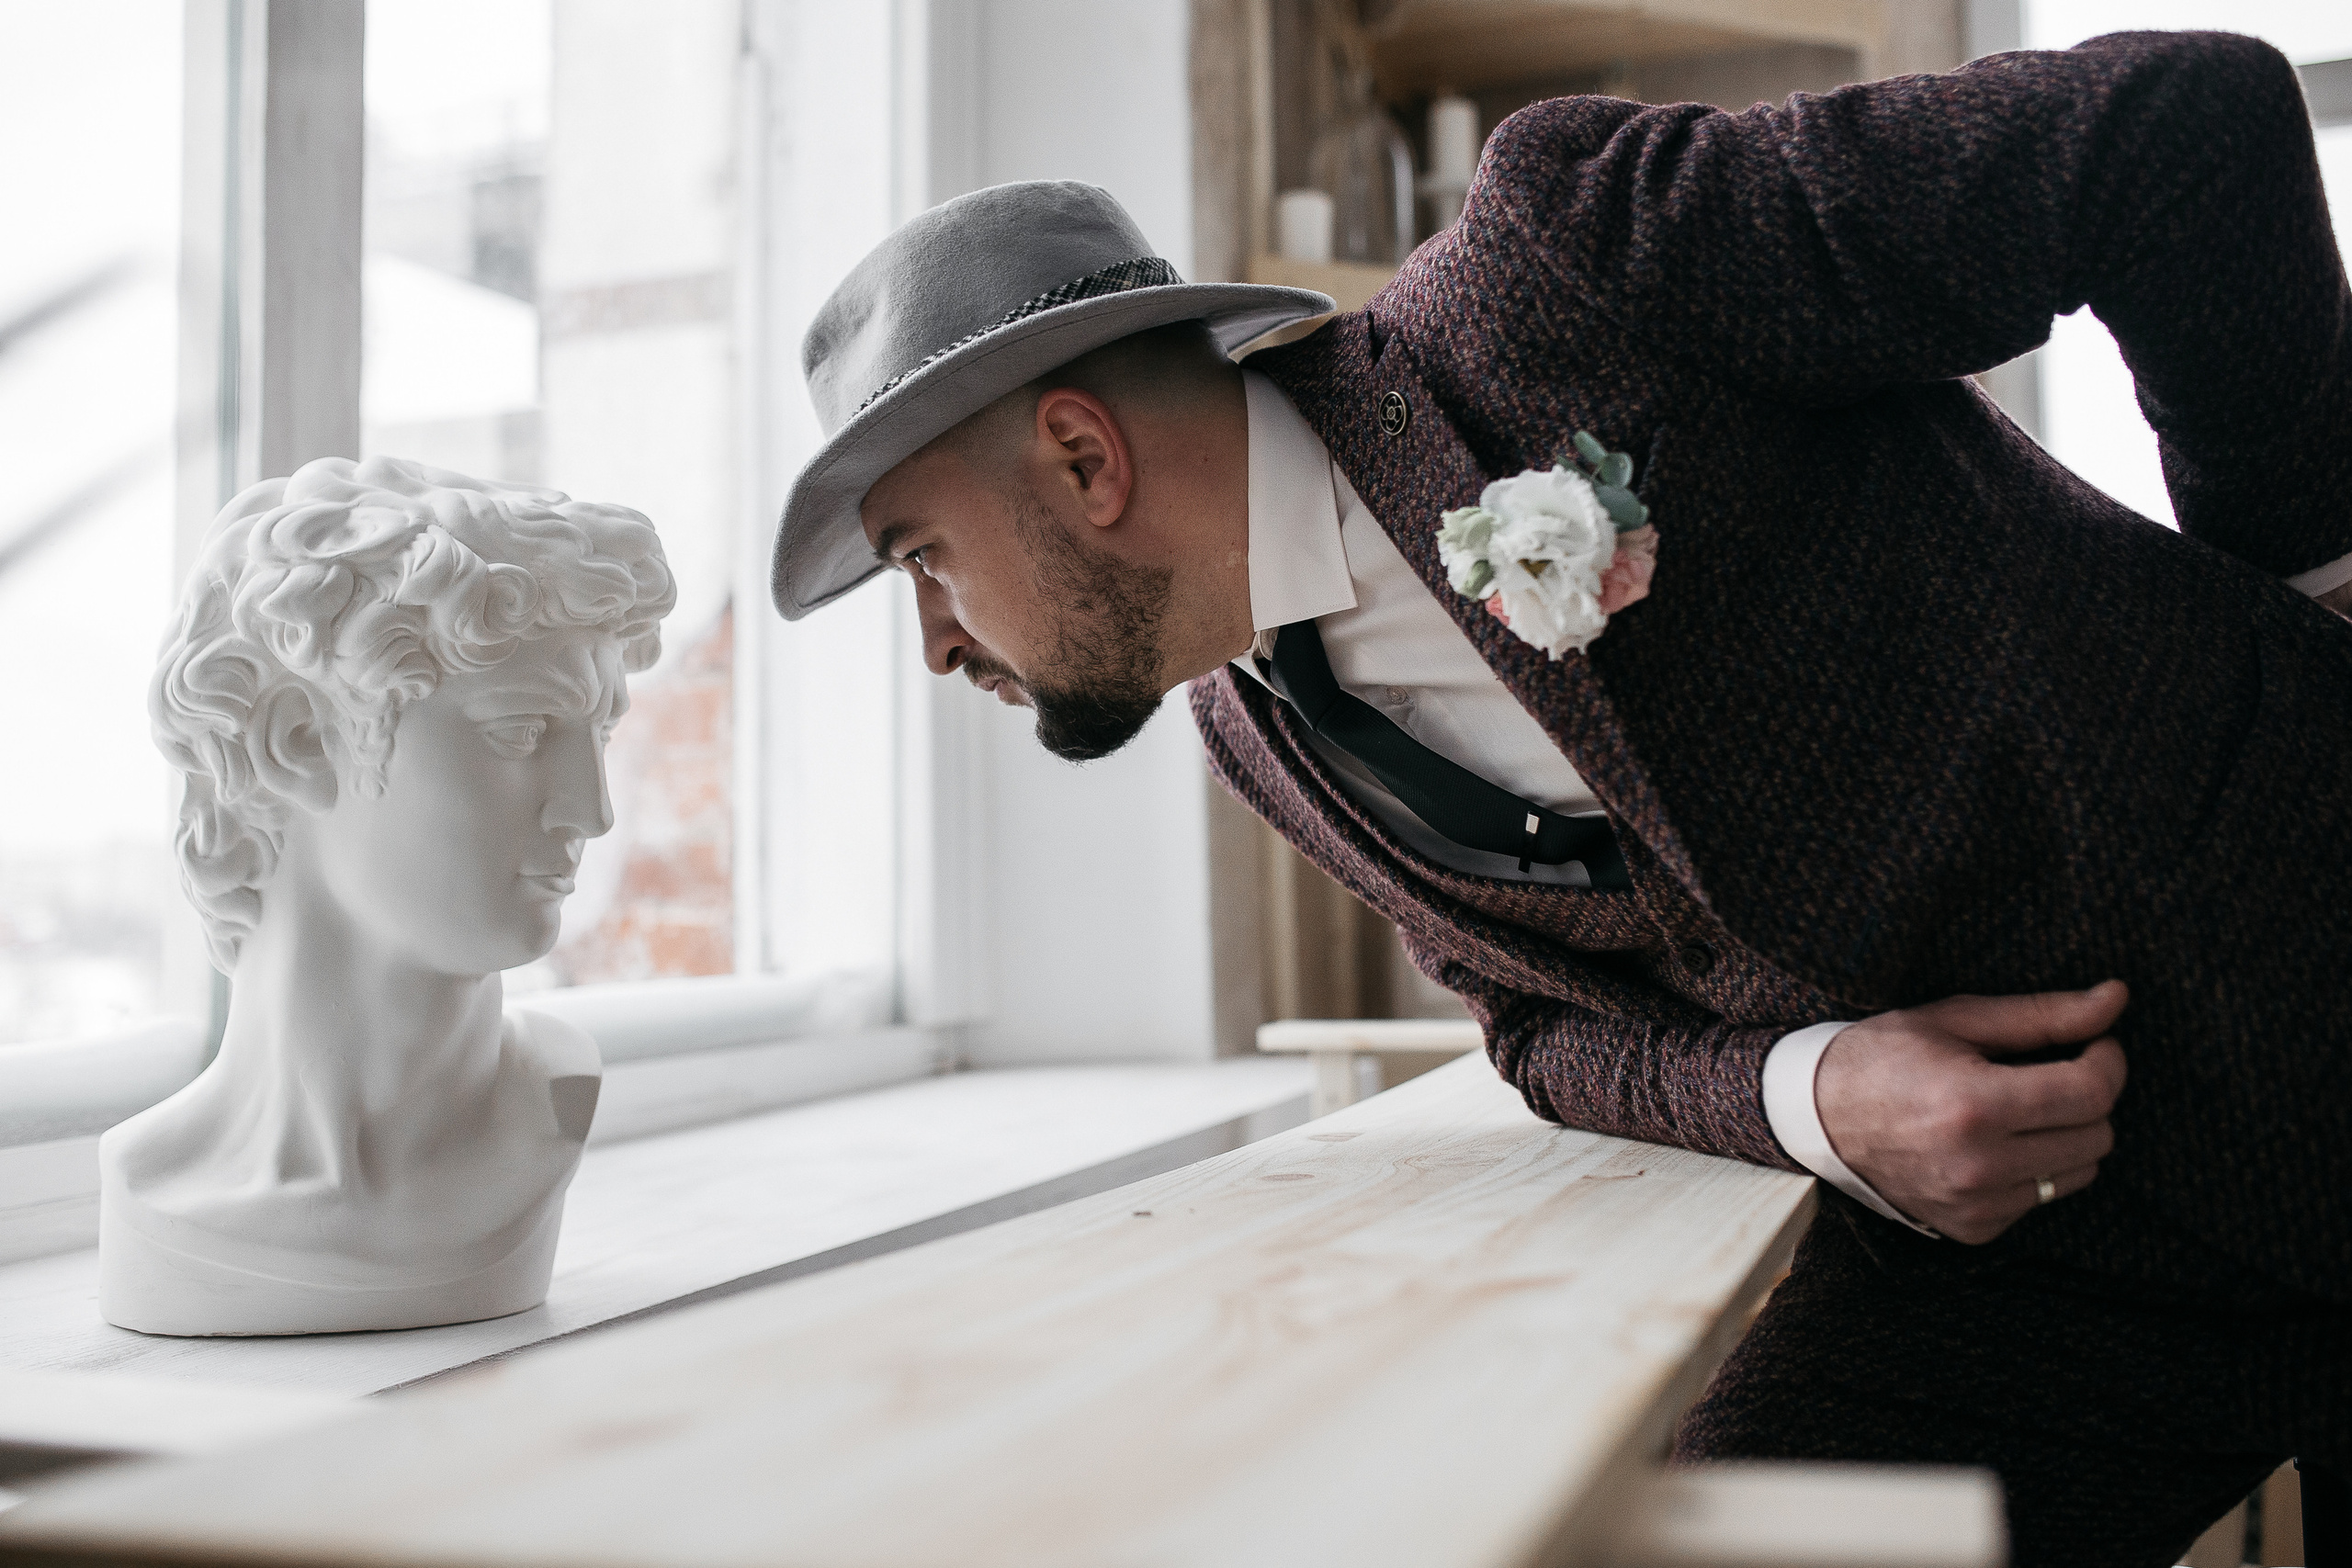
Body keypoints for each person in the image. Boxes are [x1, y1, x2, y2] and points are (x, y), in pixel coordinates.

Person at [769, 32, 2349, 1565]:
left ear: (1079, 455)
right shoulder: (1251, 739)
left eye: (921, 559)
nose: (932, 644)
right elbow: (1539, 1030)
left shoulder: (1567, 259)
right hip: (2058, 1267)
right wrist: (1812, 1093)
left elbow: (2177, 131)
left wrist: (2314, 615)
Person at [107, 457, 673, 1336]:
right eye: (519, 731)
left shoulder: (552, 1103)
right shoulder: (153, 1186)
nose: (590, 811)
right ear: (301, 740)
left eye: (598, 734)